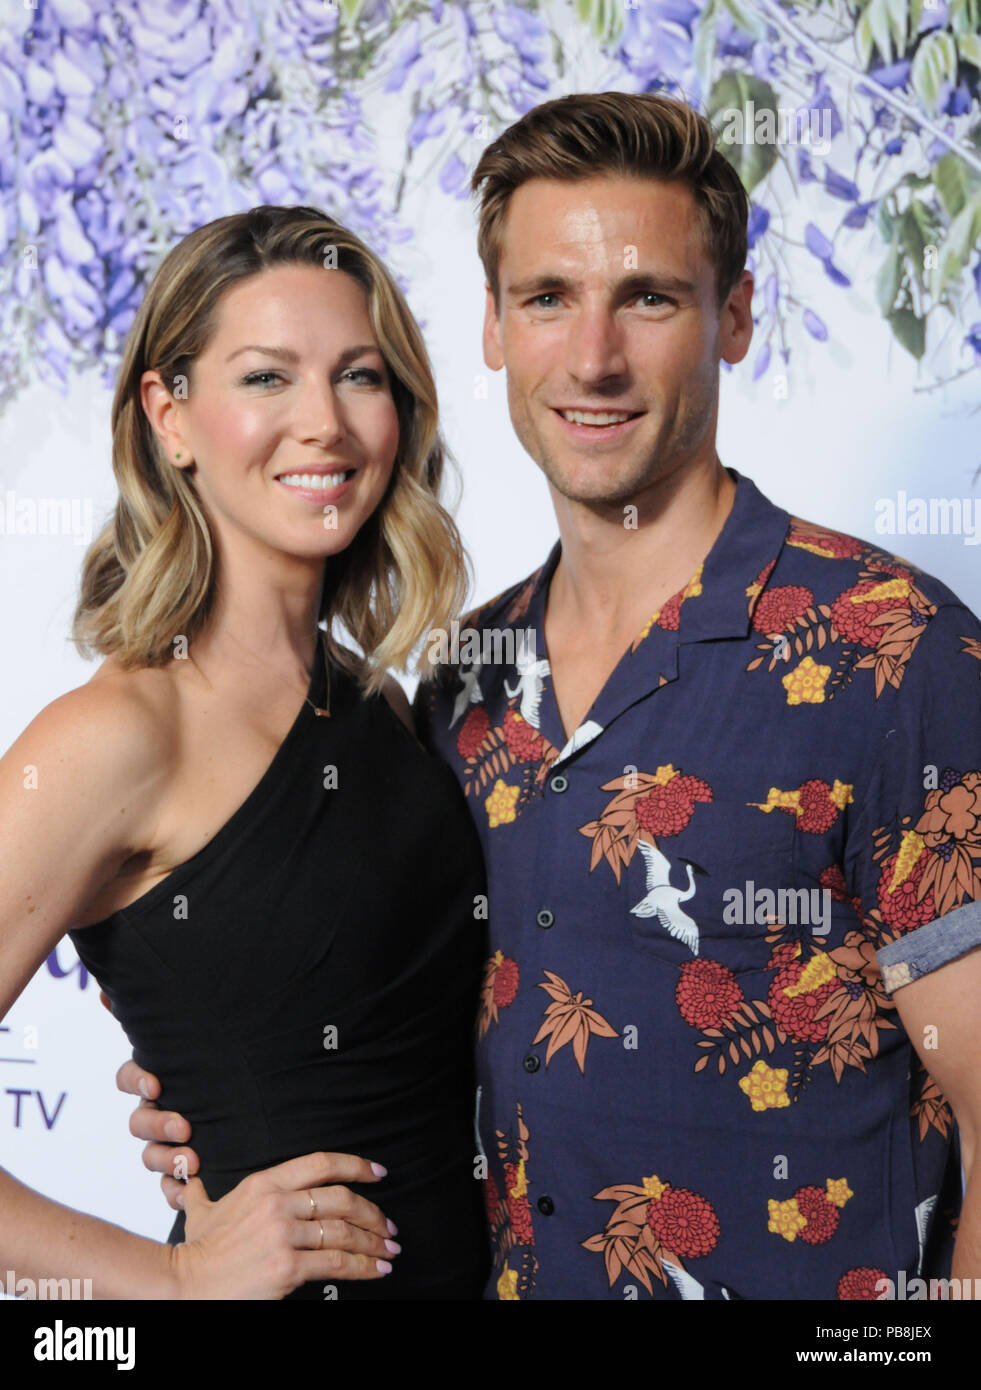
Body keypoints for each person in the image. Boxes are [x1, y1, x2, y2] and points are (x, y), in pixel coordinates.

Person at [120, 93, 981, 1301]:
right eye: (547, 299)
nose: (592, 358)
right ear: (492, 327)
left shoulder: (893, 650)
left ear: (733, 318)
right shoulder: (463, 687)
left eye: (648, 297)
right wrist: (222, 1094)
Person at [0, 205, 490, 1300]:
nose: (326, 424)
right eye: (266, 378)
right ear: (170, 416)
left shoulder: (381, 704)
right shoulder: (118, 735)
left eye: (359, 376)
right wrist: (167, 1280)